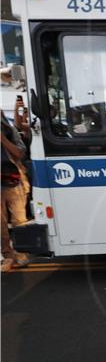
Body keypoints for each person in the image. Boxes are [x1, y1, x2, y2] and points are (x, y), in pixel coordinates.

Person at [1, 114, 30, 272]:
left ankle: (21, 252)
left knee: (19, 219)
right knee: (1, 224)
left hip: (13, 180)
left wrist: (3, 140)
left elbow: (20, 154)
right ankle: (7, 255)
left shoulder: (9, 131)